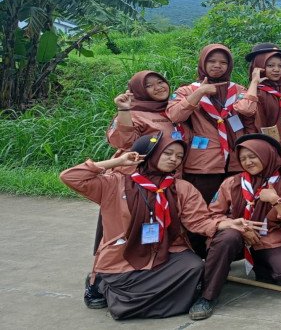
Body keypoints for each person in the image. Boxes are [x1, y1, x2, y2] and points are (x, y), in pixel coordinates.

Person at [59, 133, 256, 320]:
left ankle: (123, 294)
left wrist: (226, 223)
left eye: (179, 156)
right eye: (167, 153)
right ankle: (102, 284)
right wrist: (118, 162)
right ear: (150, 153)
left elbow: (199, 220)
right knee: (137, 281)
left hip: (165, 251)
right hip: (124, 255)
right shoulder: (115, 183)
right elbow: (70, 177)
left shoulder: (181, 188)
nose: (174, 159)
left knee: (194, 268)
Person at [82, 70, 185, 310]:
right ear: (139, 90)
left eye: (161, 82)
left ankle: (147, 277)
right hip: (133, 182)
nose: (158, 87)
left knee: (157, 231)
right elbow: (121, 141)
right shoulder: (134, 112)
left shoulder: (173, 111)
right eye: (150, 85)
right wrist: (124, 110)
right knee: (119, 234)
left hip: (165, 182)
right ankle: (96, 282)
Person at [193, 134, 281, 320]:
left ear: (267, 155)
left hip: (268, 239)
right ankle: (207, 296)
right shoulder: (231, 183)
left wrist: (276, 201)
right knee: (227, 238)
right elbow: (212, 214)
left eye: (253, 156)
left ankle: (261, 264)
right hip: (235, 237)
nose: (248, 162)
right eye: (243, 158)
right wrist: (238, 227)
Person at [167, 44, 248, 256]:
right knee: (199, 211)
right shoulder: (187, 90)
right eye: (212, 61)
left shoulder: (238, 91)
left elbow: (250, 113)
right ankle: (198, 256)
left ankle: (225, 253)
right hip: (203, 164)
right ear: (203, 63)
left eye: (223, 62)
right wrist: (200, 92)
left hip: (235, 162)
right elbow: (174, 115)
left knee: (232, 210)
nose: (217, 66)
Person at [235, 43, 281, 167]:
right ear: (259, 67)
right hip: (268, 154)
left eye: (280, 66)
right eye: (270, 65)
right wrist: (255, 82)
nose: (276, 69)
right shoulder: (252, 93)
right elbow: (246, 109)